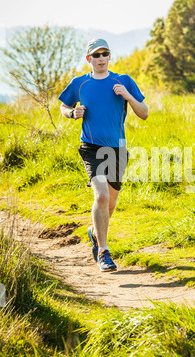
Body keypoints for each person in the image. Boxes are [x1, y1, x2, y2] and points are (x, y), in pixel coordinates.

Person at [59, 38, 148, 272]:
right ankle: (103, 252)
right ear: (89, 59)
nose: (100, 59)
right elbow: (63, 106)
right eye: (95, 55)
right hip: (91, 147)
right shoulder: (79, 84)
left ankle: (94, 232)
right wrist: (71, 113)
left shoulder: (123, 81)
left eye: (104, 54)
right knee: (100, 197)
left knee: (110, 203)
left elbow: (144, 113)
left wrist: (128, 96)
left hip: (117, 149)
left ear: (109, 57)